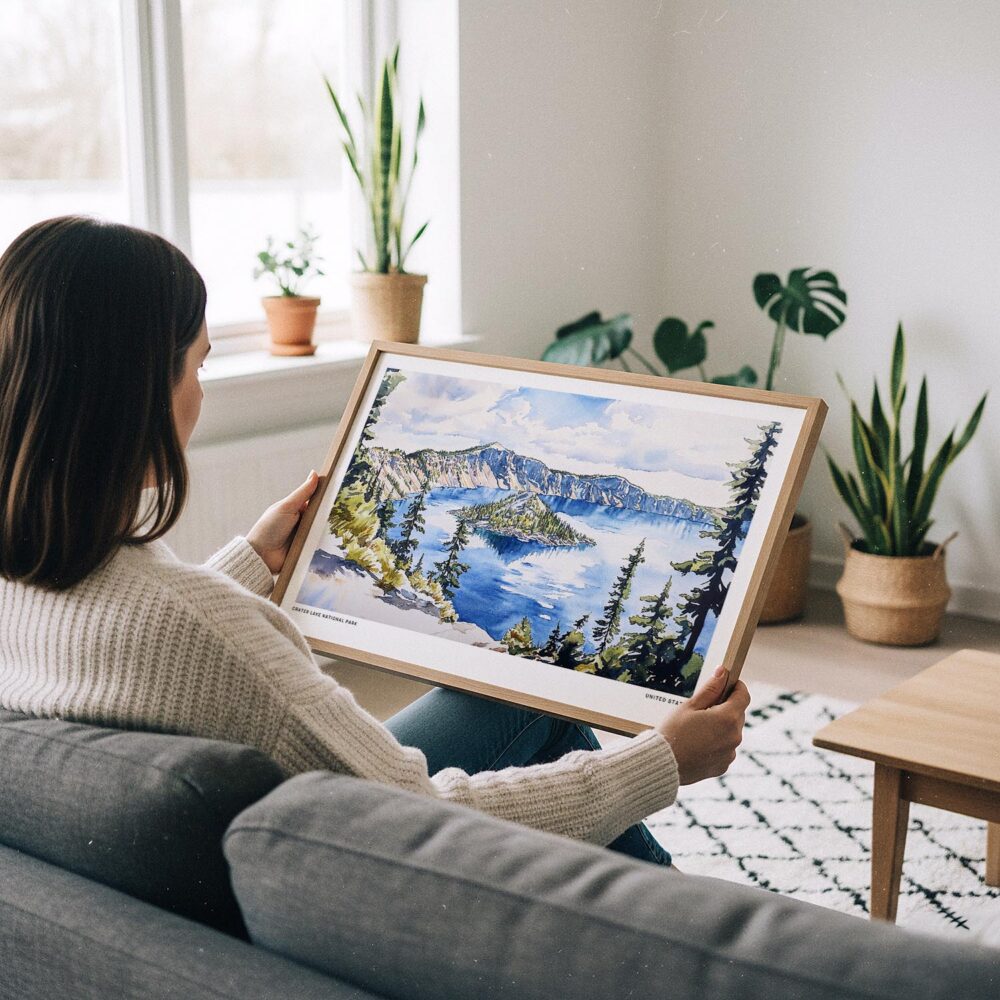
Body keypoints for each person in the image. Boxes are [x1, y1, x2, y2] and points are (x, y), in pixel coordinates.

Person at [0, 216, 749, 866]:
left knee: (506, 700)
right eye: (198, 365)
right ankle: (695, 937)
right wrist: (660, 761)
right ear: (135, 394)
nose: (203, 391)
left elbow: (138, 637)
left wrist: (250, 564)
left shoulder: (28, 581)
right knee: (546, 717)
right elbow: (419, 818)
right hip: (361, 863)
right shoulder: (206, 630)